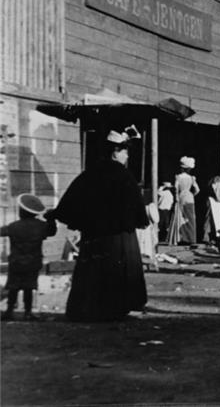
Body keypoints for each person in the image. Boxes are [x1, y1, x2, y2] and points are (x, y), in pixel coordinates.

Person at [48, 129, 148, 322]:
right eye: (124, 152)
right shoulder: (124, 175)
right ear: (115, 152)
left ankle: (89, 308)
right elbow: (134, 206)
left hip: (94, 235)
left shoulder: (90, 173)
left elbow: (72, 199)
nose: (127, 156)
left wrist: (58, 214)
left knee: (93, 270)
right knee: (118, 270)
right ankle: (117, 308)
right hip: (118, 236)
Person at [1, 194, 57, 321]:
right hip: (33, 262)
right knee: (29, 287)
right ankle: (27, 312)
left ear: (21, 211)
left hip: (16, 262)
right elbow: (52, 232)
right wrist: (51, 219)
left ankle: (9, 311)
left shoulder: (13, 226)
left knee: (13, 287)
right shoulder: (41, 226)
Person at [171, 156, 200, 246]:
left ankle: (182, 238)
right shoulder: (192, 178)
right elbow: (197, 190)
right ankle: (191, 239)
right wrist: (192, 194)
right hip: (190, 198)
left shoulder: (178, 177)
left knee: (181, 218)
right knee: (191, 219)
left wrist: (176, 198)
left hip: (182, 197)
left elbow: (176, 188)